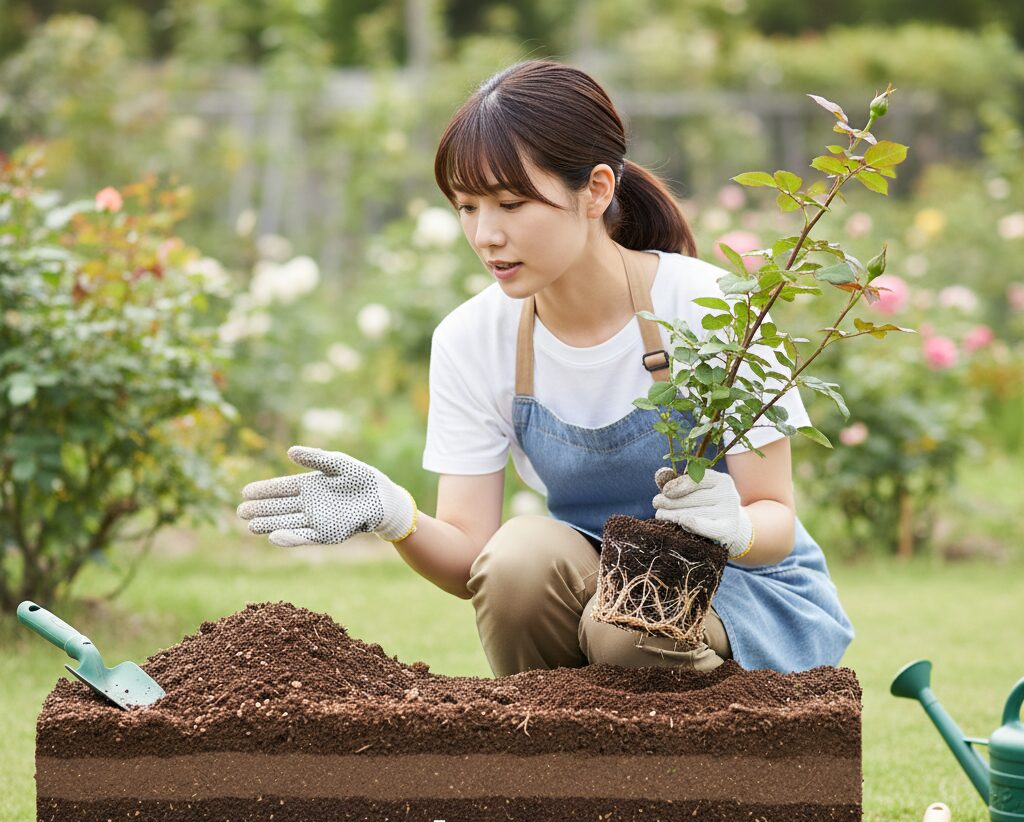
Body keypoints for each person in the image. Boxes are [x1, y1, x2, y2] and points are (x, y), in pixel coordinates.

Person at [237, 58, 854, 678]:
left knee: (626, 627)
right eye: (467, 207)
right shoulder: (472, 338)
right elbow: (475, 562)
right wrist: (395, 515)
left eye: (509, 203)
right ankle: (553, 768)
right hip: (600, 581)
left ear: (596, 190)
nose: (485, 235)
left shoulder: (711, 307)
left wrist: (736, 524)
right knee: (518, 557)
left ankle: (689, 770)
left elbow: (776, 516)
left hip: (743, 590)